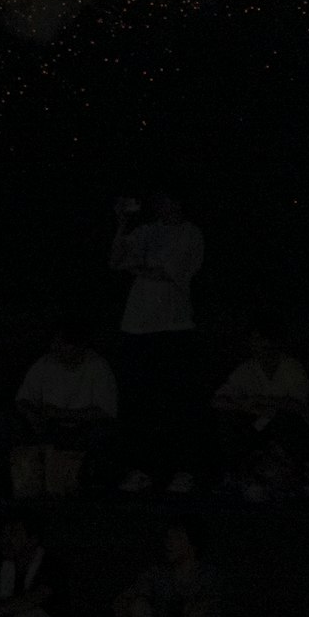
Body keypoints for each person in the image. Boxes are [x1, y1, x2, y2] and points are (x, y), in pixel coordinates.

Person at [107, 195, 205, 493]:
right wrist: (122, 226)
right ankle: (141, 470)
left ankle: (182, 470)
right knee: (141, 402)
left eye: (170, 200)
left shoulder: (190, 233)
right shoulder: (148, 231)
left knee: (174, 401)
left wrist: (136, 267)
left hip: (174, 327)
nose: (165, 206)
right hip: (138, 328)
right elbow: (116, 261)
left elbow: (167, 270)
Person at [10, 321, 118, 500]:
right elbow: (23, 399)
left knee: (104, 433)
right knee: (8, 422)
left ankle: (88, 488)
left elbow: (106, 412)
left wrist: (61, 414)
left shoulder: (97, 367)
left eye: (62, 344)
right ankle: (27, 483)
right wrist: (32, 415)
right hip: (49, 428)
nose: (55, 348)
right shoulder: (45, 363)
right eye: (55, 343)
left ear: (79, 346)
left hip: (82, 430)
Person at [206, 325, 309, 486]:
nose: (260, 346)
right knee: (228, 421)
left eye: (264, 341)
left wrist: (262, 401)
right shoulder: (246, 369)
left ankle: (294, 470)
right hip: (257, 427)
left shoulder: (291, 367)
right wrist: (246, 407)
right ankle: (235, 473)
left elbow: (298, 405)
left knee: (284, 420)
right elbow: (218, 399)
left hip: (289, 428)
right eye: (256, 341)